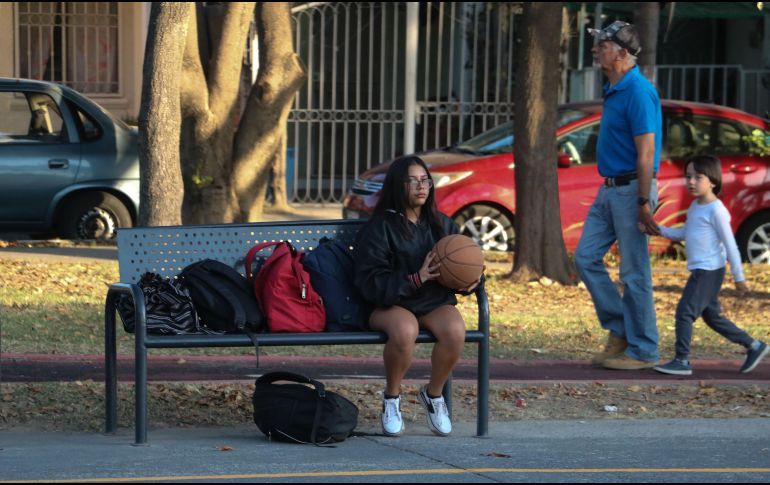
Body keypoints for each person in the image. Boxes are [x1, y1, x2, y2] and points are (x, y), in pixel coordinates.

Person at [353, 155, 481, 437]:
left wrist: (471, 280)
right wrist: (416, 278)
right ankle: (392, 397)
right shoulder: (380, 228)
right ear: (397, 187)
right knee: (405, 329)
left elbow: (465, 264)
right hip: (389, 303)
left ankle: (434, 396)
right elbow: (369, 281)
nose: (420, 186)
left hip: (431, 302)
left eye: (424, 180)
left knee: (455, 330)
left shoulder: (443, 226)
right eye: (411, 181)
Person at [574, 21, 663, 370]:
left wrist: (644, 202)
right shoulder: (615, 88)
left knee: (634, 272)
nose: (596, 50)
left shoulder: (638, 91)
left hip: (631, 190)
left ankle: (644, 350)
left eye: (603, 45)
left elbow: (646, 152)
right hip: (609, 187)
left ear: (622, 53)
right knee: (585, 258)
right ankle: (621, 330)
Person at [653, 156, 768, 375]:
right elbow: (685, 233)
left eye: (698, 177)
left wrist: (739, 277)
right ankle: (754, 346)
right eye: (688, 177)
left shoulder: (716, 210)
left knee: (685, 312)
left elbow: (731, 245)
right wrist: (658, 229)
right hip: (701, 269)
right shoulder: (696, 206)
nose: (691, 182)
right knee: (712, 317)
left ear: (713, 181)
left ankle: (682, 360)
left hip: (709, 270)